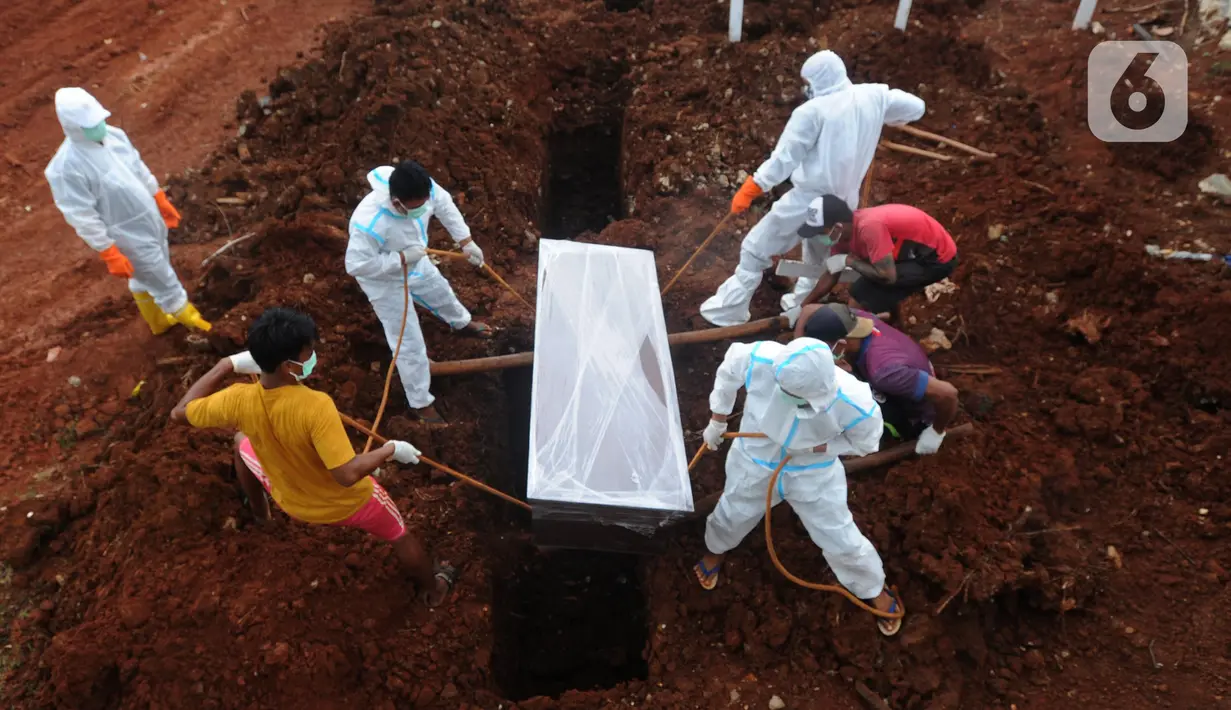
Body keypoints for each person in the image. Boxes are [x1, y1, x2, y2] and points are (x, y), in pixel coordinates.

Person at [169, 307, 454, 606]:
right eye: (307, 354)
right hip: (345, 504)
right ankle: (433, 591)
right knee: (399, 533)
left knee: (241, 443)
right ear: (287, 366)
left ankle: (260, 513)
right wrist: (391, 450)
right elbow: (345, 474)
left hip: (289, 498)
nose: (313, 357)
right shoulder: (316, 406)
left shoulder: (238, 398)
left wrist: (224, 366)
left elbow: (179, 413)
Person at [692, 338, 904, 636]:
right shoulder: (760, 359)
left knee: (838, 533)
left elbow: (866, 443)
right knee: (734, 510)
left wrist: (820, 448)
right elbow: (729, 370)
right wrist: (718, 419)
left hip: (812, 472)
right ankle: (716, 550)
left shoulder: (856, 401)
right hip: (757, 456)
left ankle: (871, 587)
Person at [699, 51, 925, 327]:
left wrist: (755, 185)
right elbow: (916, 107)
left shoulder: (812, 112)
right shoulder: (872, 97)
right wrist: (879, 110)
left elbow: (785, 158)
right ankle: (800, 308)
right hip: (844, 204)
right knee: (819, 256)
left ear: (817, 80)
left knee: (755, 248)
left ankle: (727, 311)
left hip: (808, 199)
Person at [44, 87, 210, 334]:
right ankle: (203, 327)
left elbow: (138, 167)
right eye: (90, 123)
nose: (99, 126)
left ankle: (158, 322)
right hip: (126, 235)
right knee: (165, 281)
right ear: (72, 126)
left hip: (149, 217)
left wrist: (159, 197)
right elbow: (81, 215)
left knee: (150, 272)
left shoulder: (114, 136)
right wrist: (108, 251)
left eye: (99, 119)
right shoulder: (65, 168)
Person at [346, 161, 492, 426]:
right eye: (417, 207)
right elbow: (357, 266)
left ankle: (461, 323)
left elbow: (444, 203)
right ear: (397, 202)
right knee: (408, 341)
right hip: (383, 279)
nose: (424, 209)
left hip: (416, 260)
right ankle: (421, 402)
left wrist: (466, 241)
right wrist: (400, 259)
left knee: (440, 291)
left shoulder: (421, 187)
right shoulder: (369, 223)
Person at [796, 303, 958, 454]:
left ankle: (903, 431)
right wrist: (798, 349)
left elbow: (948, 393)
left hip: (916, 412)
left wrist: (936, 432)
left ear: (842, 343)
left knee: (852, 408)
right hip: (906, 372)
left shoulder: (884, 372)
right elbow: (809, 309)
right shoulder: (854, 319)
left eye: (825, 349)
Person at [796, 201, 958, 322]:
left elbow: (888, 277)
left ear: (837, 226)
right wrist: (802, 307)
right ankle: (892, 321)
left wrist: (849, 261)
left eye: (820, 232)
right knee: (873, 280)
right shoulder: (841, 235)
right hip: (908, 255)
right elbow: (831, 273)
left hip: (936, 260)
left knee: (858, 296)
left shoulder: (869, 228)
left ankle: (854, 348)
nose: (819, 237)